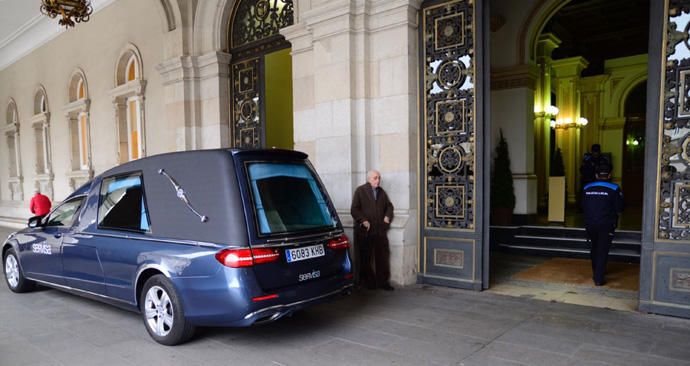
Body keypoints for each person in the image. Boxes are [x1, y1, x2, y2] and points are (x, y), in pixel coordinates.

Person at [350, 170, 394, 291]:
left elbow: (389, 206)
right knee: (365, 257)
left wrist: (387, 216)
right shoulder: (360, 190)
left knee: (382, 257)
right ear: (369, 179)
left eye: (379, 178)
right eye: (375, 178)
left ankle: (383, 282)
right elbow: (354, 209)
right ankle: (368, 282)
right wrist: (363, 220)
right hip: (366, 231)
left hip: (380, 230)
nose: (378, 180)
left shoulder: (381, 192)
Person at [582, 164, 624, 286]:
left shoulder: (587, 188)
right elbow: (619, 208)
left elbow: (583, 205)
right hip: (606, 224)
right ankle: (598, 278)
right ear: (610, 175)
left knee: (594, 248)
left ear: (596, 175)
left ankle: (596, 272)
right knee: (602, 249)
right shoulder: (614, 188)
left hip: (590, 223)